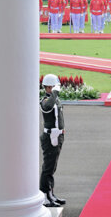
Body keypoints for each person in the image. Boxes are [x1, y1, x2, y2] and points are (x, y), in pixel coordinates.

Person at [39, 74, 66, 207]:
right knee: (48, 168)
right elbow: (48, 107)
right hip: (50, 137)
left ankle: (50, 193)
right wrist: (54, 92)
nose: (57, 88)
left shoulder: (54, 99)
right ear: (49, 87)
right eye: (55, 86)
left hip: (57, 135)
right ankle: (44, 196)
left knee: (52, 167)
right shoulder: (45, 100)